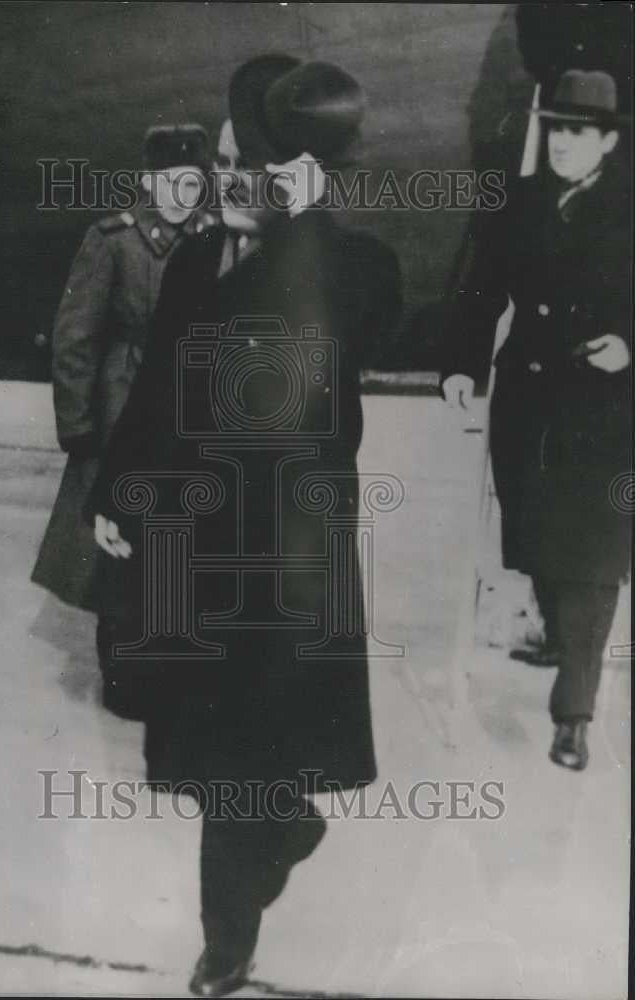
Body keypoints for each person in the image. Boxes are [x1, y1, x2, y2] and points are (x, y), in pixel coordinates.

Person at [86, 55, 402, 997]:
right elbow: (152, 390)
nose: (219, 177)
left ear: (290, 179)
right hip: (192, 548)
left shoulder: (351, 269)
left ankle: (226, 939)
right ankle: (276, 841)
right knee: (210, 755)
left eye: (239, 163)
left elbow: (319, 353)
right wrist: (116, 490)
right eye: (221, 159)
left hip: (284, 566)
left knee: (245, 759)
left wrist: (299, 224)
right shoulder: (192, 258)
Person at [442, 70, 631, 771]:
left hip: (607, 411)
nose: (560, 143)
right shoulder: (517, 203)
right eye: (554, 129)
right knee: (536, 542)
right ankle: (557, 634)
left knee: (593, 558)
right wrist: (459, 364)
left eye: (577, 132)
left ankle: (573, 711)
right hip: (528, 402)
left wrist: (628, 343)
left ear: (606, 141)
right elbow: (477, 291)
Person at [31, 124, 214, 705]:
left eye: (193, 182)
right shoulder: (113, 239)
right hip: (121, 403)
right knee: (114, 543)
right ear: (147, 182)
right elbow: (75, 336)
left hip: (186, 403)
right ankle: (121, 672)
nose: (184, 195)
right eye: (172, 182)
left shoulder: (211, 238)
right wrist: (78, 424)